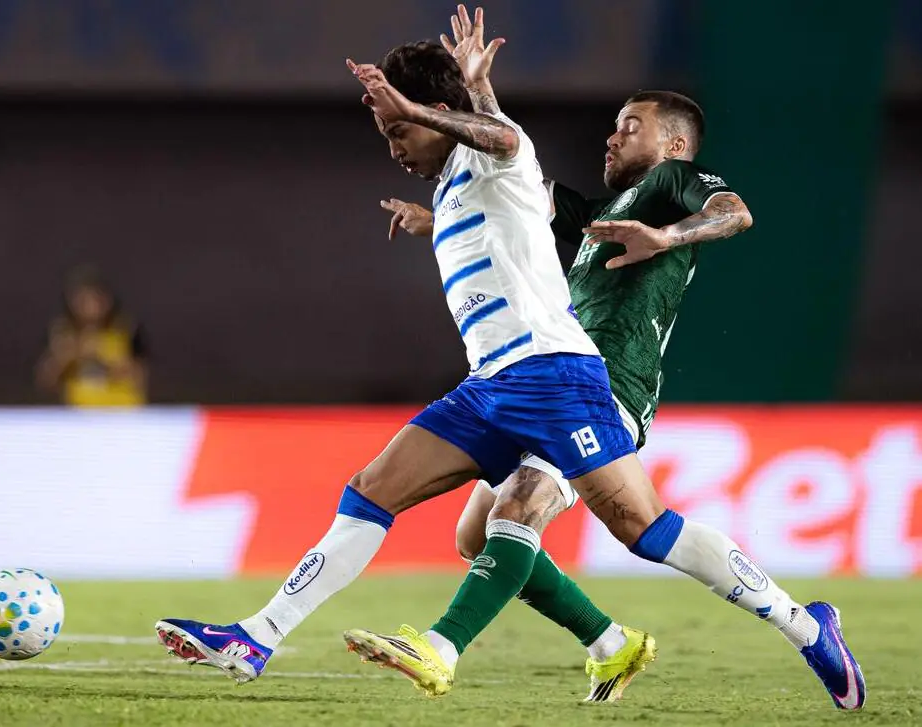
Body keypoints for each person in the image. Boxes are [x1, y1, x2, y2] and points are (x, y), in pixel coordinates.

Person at [343, 5, 865, 712]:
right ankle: (612, 640)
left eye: (632, 124)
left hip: (604, 382)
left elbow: (735, 212)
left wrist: (668, 237)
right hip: (545, 376)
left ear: (674, 142)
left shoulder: (674, 184)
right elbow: (508, 195)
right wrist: (447, 189)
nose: (612, 134)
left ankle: (440, 648)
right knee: (481, 535)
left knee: (531, 509)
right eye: (614, 123)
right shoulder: (597, 208)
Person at [155, 36, 647, 698]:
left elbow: (497, 136)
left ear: (433, 111)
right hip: (491, 384)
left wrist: (457, 97)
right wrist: (431, 216)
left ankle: (789, 622)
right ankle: (258, 634)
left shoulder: (495, 151)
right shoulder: (452, 183)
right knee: (373, 488)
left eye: (397, 129)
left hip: (555, 375)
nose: (392, 146)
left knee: (599, 529)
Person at [36, 267, 149, 407]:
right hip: (77, 415)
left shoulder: (126, 328)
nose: (90, 308)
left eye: (95, 300)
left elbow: (141, 377)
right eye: (83, 301)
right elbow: (46, 381)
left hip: (121, 413)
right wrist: (69, 355)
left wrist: (105, 358)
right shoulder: (63, 332)